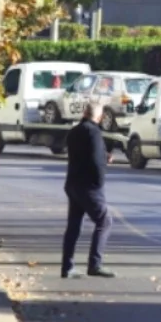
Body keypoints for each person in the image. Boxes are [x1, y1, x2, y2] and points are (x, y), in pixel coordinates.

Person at [63, 101, 116, 278]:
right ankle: (95, 264)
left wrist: (103, 155)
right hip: (89, 186)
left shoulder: (74, 132)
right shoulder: (93, 132)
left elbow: (82, 155)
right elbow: (94, 160)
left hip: (73, 184)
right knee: (104, 221)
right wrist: (100, 180)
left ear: (84, 112)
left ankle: (67, 267)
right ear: (99, 117)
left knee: (74, 226)